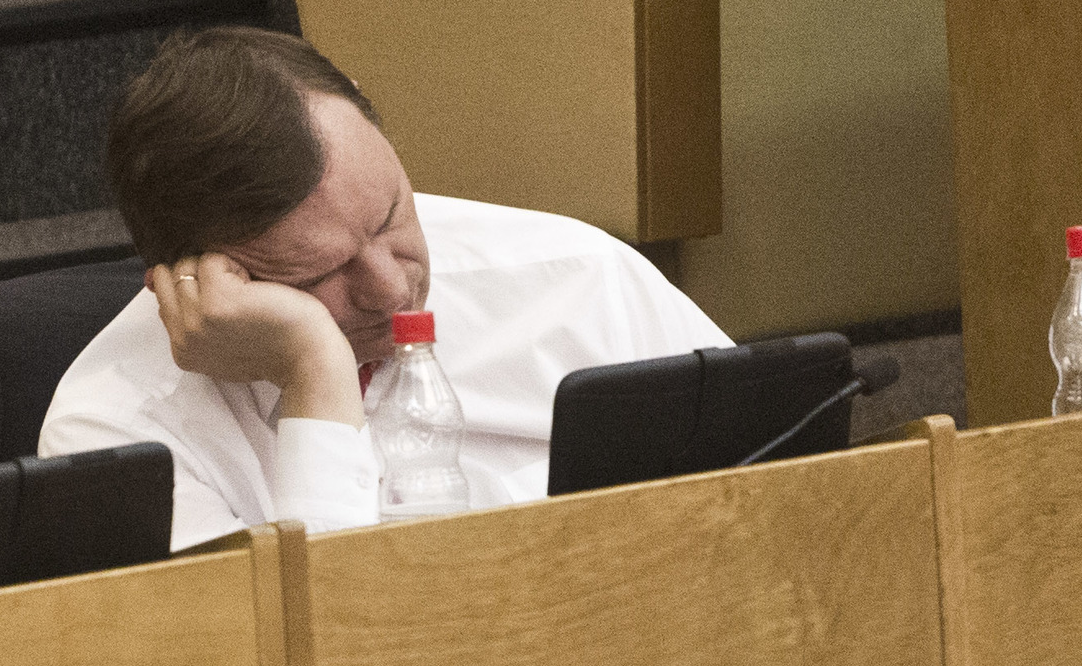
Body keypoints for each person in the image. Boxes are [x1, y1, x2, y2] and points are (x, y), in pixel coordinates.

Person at [38, 27, 732, 548]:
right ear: (192, 275)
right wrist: (316, 368)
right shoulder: (116, 433)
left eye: (391, 214)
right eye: (319, 274)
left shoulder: (570, 275)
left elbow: (798, 483)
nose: (392, 286)